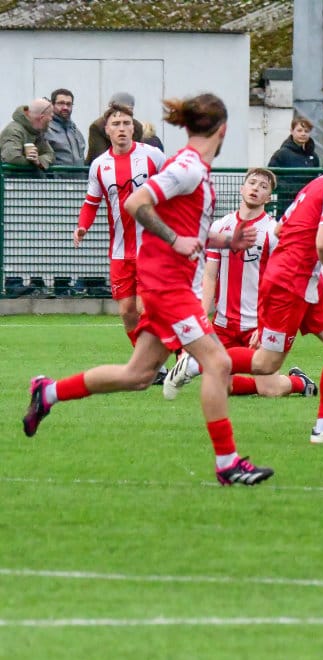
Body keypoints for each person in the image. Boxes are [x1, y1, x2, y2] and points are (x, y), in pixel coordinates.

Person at [23, 92, 275, 487]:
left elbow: (185, 225)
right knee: (219, 363)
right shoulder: (188, 167)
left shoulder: (190, 167)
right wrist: (174, 240)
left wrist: (225, 241)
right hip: (167, 286)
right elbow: (136, 203)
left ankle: (49, 392)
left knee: (138, 374)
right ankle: (227, 464)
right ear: (223, 130)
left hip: (166, 283)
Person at [163, 132, 323, 445]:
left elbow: (281, 229)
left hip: (305, 280)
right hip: (289, 283)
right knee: (266, 363)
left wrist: (315, 260)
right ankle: (200, 362)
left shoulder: (320, 182)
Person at [164, 167, 317, 399]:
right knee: (220, 387)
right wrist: (201, 317)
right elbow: (209, 276)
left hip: (255, 325)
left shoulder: (272, 232)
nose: (256, 188)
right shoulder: (220, 227)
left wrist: (265, 324)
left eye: (263, 186)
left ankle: (300, 382)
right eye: (252, 183)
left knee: (269, 390)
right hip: (223, 324)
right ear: (242, 188)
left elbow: (280, 283)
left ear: (268, 198)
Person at [74, 102, 166, 350]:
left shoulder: (153, 156)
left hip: (151, 247)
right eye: (116, 124)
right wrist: (82, 226)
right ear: (107, 130)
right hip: (120, 250)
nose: (122, 128)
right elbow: (91, 203)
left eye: (126, 123)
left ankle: (163, 357)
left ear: (133, 128)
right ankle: (151, 363)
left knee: (145, 307)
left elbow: (174, 188)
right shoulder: (99, 165)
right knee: (127, 311)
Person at [268, 115, 321, 216]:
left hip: (308, 203)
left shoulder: (313, 156)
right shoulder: (281, 154)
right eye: (299, 130)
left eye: (306, 131)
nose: (303, 134)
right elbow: (271, 176)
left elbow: (316, 178)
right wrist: (290, 189)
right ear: (292, 131)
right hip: (286, 203)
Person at [86, 92, 143, 165]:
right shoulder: (97, 126)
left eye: (127, 110)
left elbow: (137, 152)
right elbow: (100, 156)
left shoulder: (137, 127)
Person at [0, 98, 55, 171]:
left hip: (30, 178)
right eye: (51, 116)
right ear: (42, 118)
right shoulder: (13, 131)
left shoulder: (38, 131)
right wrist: (33, 162)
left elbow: (51, 155)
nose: (51, 119)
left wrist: (38, 161)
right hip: (12, 177)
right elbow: (12, 158)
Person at [44, 88, 86, 167]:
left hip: (79, 175)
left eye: (69, 104)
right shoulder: (45, 130)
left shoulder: (76, 131)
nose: (65, 107)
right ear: (52, 105)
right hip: (55, 175)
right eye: (61, 103)